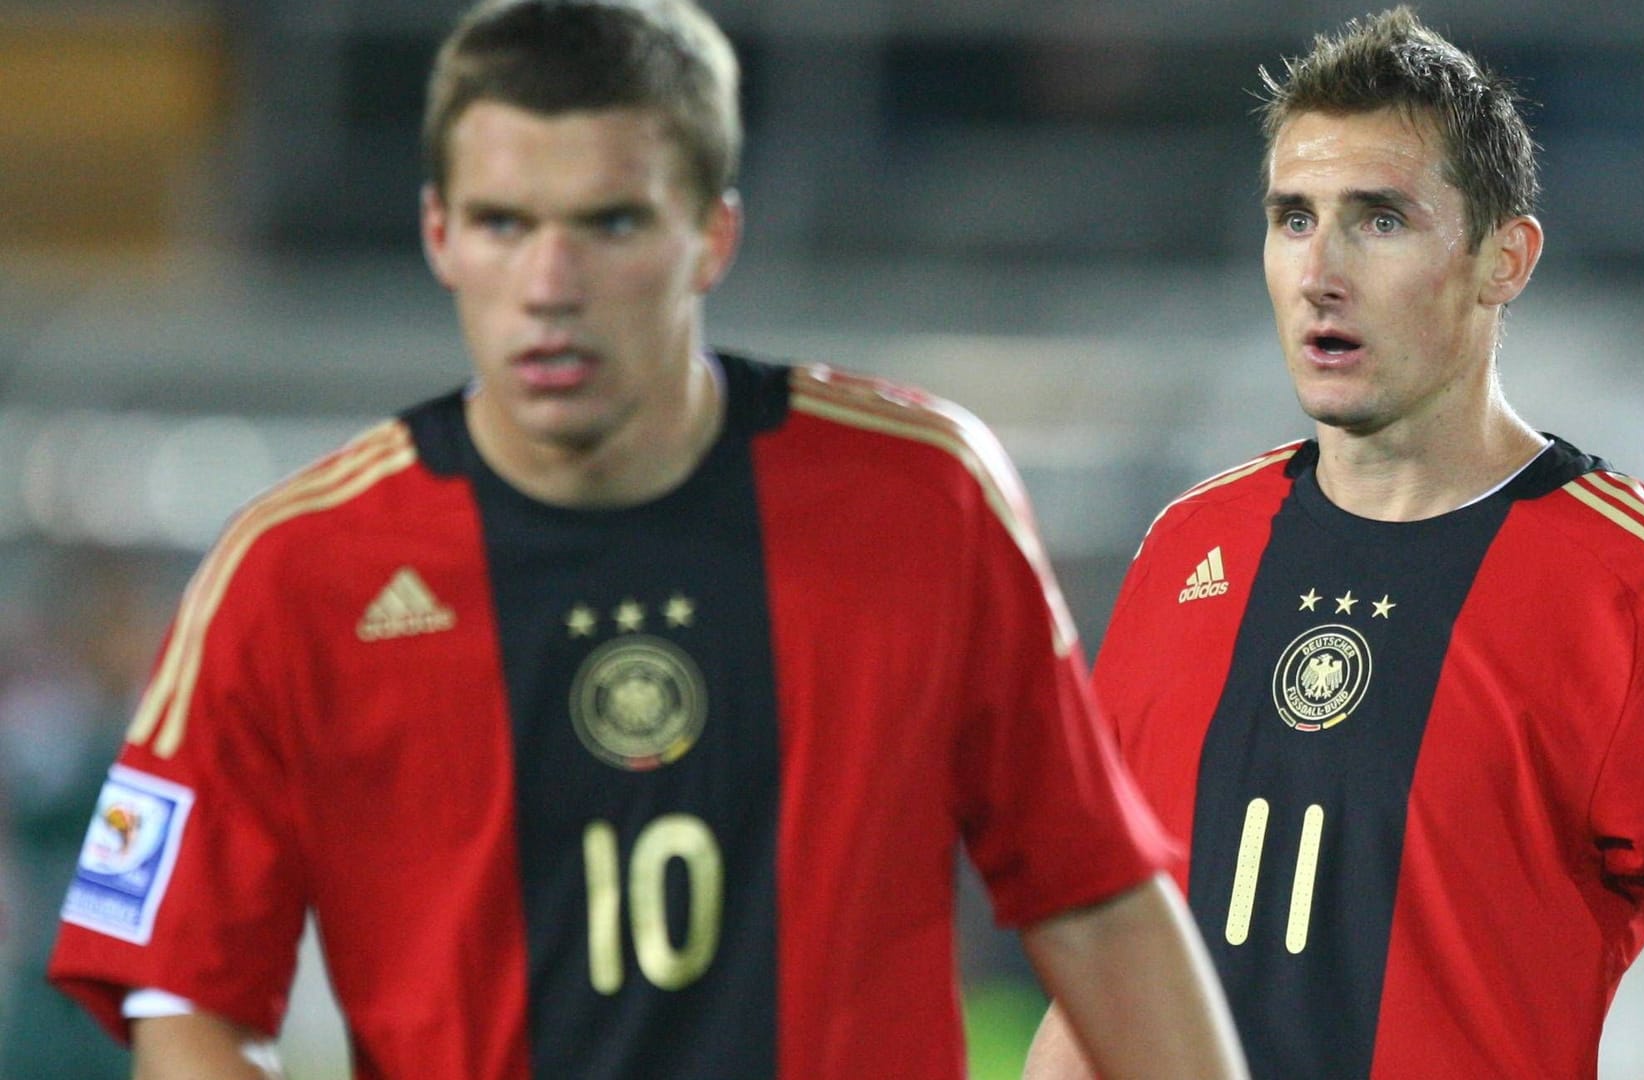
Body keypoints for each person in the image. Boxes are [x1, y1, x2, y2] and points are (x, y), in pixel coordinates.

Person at [44, 2, 1248, 1077]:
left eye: (611, 222)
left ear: (714, 235)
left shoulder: (921, 502)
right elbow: (187, 998)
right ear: (437, 235)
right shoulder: (295, 571)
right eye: (504, 223)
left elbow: (1095, 899)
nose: (550, 281)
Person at [1026, 8, 1644, 1079]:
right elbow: (1108, 987)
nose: (1321, 270)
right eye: (1294, 217)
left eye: (1381, 220)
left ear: (1505, 259)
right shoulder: (1189, 548)